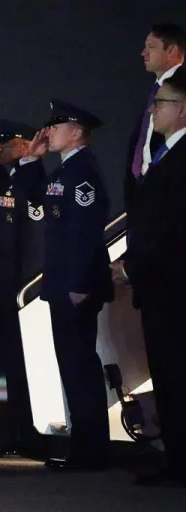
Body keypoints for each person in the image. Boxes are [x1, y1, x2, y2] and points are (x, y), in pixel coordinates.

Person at [23, 99, 114, 471]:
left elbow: (84, 234)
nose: (49, 131)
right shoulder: (65, 171)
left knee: (80, 367)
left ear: (77, 132)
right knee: (72, 367)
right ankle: (85, 449)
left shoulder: (83, 173)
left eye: (57, 126)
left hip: (75, 285)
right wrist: (32, 159)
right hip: (62, 284)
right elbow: (37, 200)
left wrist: (78, 284)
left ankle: (92, 452)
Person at [111, 68, 186, 487]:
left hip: (173, 286)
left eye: (161, 104)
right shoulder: (167, 155)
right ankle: (176, 460)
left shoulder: (180, 158)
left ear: (183, 109)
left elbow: (170, 227)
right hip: (161, 285)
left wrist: (132, 267)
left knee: (176, 374)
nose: (153, 111)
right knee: (169, 375)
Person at [0, 119, 46, 458]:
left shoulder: (34, 181)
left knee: (30, 365)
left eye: (7, 144)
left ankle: (33, 434)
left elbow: (35, 238)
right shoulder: (11, 181)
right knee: (14, 365)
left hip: (27, 289)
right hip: (9, 288)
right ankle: (19, 431)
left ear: (24, 147)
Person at [125, 24, 184, 228]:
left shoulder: (179, 88)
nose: (143, 53)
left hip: (167, 194)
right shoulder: (155, 89)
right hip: (146, 191)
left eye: (151, 46)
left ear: (172, 51)